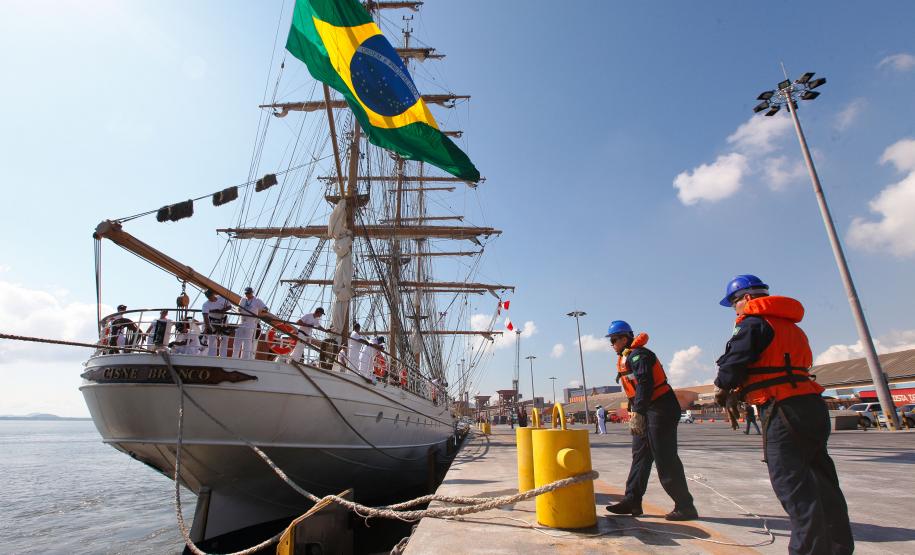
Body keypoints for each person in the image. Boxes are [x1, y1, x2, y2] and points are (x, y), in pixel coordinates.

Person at [714, 274, 853, 554]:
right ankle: (838, 548)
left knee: (793, 486)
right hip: (812, 405)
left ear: (748, 298)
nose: (735, 310)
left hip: (783, 409)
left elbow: (731, 368)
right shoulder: (789, 325)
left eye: (734, 303)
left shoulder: (753, 324)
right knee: (824, 484)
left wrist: (723, 387)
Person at [605, 320, 697, 521]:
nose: (611, 344)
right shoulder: (626, 357)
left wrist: (637, 412)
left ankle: (685, 506)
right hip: (647, 410)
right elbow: (634, 390)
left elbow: (645, 384)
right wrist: (635, 411)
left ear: (624, 338)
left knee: (665, 457)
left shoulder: (640, 355)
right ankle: (632, 501)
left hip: (661, 408)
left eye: (614, 340)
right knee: (640, 455)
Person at [234, 287, 267, 360]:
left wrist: (259, 314)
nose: (247, 295)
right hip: (241, 322)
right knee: (237, 341)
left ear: (252, 293)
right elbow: (239, 309)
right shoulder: (243, 300)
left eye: (248, 293)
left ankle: (245, 358)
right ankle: (234, 357)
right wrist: (239, 310)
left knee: (247, 342)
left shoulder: (257, 300)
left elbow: (265, 309)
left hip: (250, 323)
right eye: (246, 293)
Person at [202, 290, 232, 357]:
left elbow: (230, 306)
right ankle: (211, 356)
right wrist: (208, 327)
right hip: (212, 321)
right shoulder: (206, 305)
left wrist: (222, 311)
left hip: (223, 320)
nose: (210, 298)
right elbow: (205, 316)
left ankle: (223, 356)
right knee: (212, 339)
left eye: (210, 296)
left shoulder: (222, 298)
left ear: (213, 294)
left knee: (225, 338)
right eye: (208, 297)